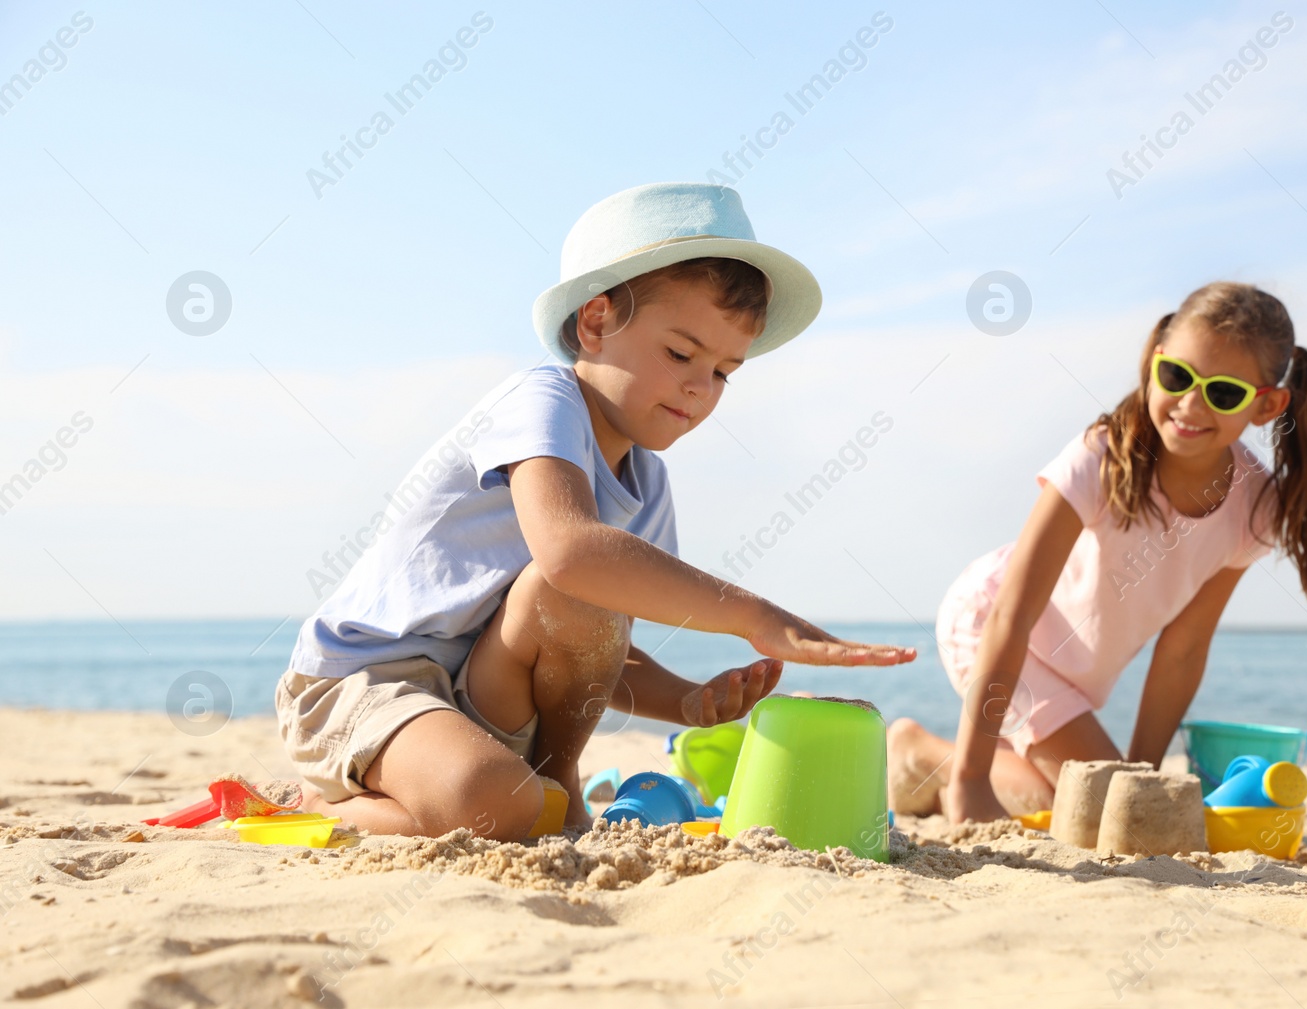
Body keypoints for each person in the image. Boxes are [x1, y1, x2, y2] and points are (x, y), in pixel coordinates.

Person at [276, 182, 916, 840]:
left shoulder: (646, 482)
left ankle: (549, 781)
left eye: (724, 371)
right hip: (368, 679)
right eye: (680, 353)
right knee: (493, 798)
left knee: (517, 795)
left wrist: (687, 700)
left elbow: (596, 639)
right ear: (595, 321)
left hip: (480, 687)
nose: (700, 387)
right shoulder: (541, 400)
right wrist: (754, 615)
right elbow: (569, 553)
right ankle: (317, 804)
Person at [888, 282, 1307, 823]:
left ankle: (926, 756)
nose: (1191, 405)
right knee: (1087, 807)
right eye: (1177, 378)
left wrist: (1137, 783)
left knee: (1116, 807)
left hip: (1071, 671)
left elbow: (1184, 650)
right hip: (992, 625)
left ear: (1266, 405)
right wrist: (970, 781)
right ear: (1155, 362)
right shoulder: (1102, 456)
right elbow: (1014, 610)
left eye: (1223, 394)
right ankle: (932, 761)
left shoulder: (1254, 508)